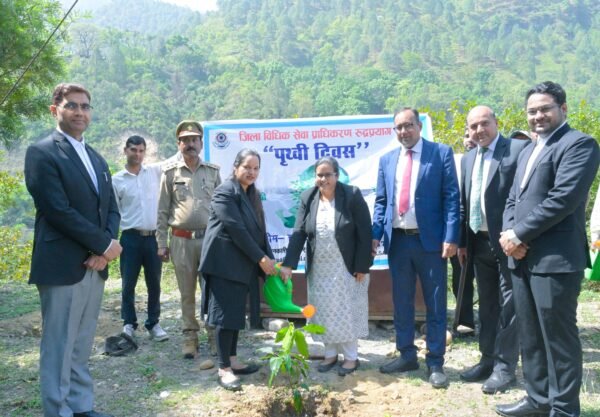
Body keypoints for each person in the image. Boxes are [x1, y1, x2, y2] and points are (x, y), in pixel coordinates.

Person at [498, 81, 600, 417]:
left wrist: (519, 235)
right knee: (530, 336)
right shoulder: (528, 149)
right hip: (521, 258)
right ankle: (538, 399)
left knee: (558, 338)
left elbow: (563, 200)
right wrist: (508, 235)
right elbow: (513, 199)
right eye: (532, 111)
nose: (538, 116)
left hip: (556, 260)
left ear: (563, 109)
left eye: (545, 109)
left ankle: (565, 408)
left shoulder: (579, 144)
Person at [24, 83, 121, 417]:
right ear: (55, 110)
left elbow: (111, 208)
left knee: (81, 342)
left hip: (95, 265)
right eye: (72, 105)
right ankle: (58, 410)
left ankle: (80, 407)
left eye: (85, 106)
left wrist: (104, 251)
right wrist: (103, 244)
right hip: (62, 265)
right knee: (59, 345)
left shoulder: (96, 157)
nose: (80, 112)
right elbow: (57, 210)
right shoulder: (42, 152)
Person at [373, 107, 460, 388]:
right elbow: (382, 202)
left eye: (408, 125)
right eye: (398, 127)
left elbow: (451, 197)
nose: (404, 131)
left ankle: (435, 361)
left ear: (419, 126)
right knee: (402, 301)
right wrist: (375, 235)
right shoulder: (387, 160)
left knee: (435, 303)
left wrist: (451, 236)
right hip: (398, 242)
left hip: (431, 243)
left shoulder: (440, 153)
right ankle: (406, 355)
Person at [457, 106, 529, 394]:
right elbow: (465, 202)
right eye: (473, 126)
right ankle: (487, 359)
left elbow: (527, 197)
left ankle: (505, 368)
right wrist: (463, 242)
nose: (479, 130)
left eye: (484, 123)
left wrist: (520, 236)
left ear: (496, 122)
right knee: (487, 305)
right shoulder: (468, 158)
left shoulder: (517, 150)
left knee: (509, 307)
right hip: (478, 243)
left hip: (509, 243)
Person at [280, 157, 373, 376]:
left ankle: (351, 357)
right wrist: (288, 264)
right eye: (319, 175)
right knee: (323, 310)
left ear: (337, 176)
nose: (324, 179)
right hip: (319, 267)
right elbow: (299, 232)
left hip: (346, 265)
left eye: (328, 175)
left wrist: (362, 266)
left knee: (346, 309)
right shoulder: (308, 197)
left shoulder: (351, 195)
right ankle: (330, 354)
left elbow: (365, 232)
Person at [199, 148, 278, 391]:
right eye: (247, 167)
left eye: (255, 168)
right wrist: (260, 258)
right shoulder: (225, 191)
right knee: (223, 315)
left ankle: (233, 360)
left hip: (241, 264)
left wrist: (269, 259)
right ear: (236, 167)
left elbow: (259, 232)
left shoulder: (252, 193)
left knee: (234, 314)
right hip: (223, 263)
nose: (251, 172)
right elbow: (236, 229)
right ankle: (223, 368)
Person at [156, 120, 221, 360]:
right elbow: (162, 210)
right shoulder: (170, 173)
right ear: (179, 144)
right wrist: (161, 243)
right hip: (181, 241)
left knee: (211, 290)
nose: (190, 144)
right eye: (185, 140)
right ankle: (189, 337)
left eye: (194, 140)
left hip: (209, 241)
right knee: (186, 292)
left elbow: (222, 208)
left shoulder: (213, 172)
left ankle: (213, 334)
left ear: (201, 143)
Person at [112, 135, 168, 342]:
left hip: (153, 238)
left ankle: (153, 323)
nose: (137, 154)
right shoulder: (117, 180)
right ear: (125, 151)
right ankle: (129, 323)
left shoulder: (153, 172)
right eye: (133, 150)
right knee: (128, 283)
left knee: (154, 283)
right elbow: (113, 212)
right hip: (130, 238)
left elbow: (175, 159)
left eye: (141, 150)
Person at [450, 128, 477, 335]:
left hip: (487, 232)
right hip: (461, 231)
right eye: (466, 135)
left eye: (473, 135)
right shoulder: (457, 162)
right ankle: (464, 321)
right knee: (461, 277)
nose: (471, 139)